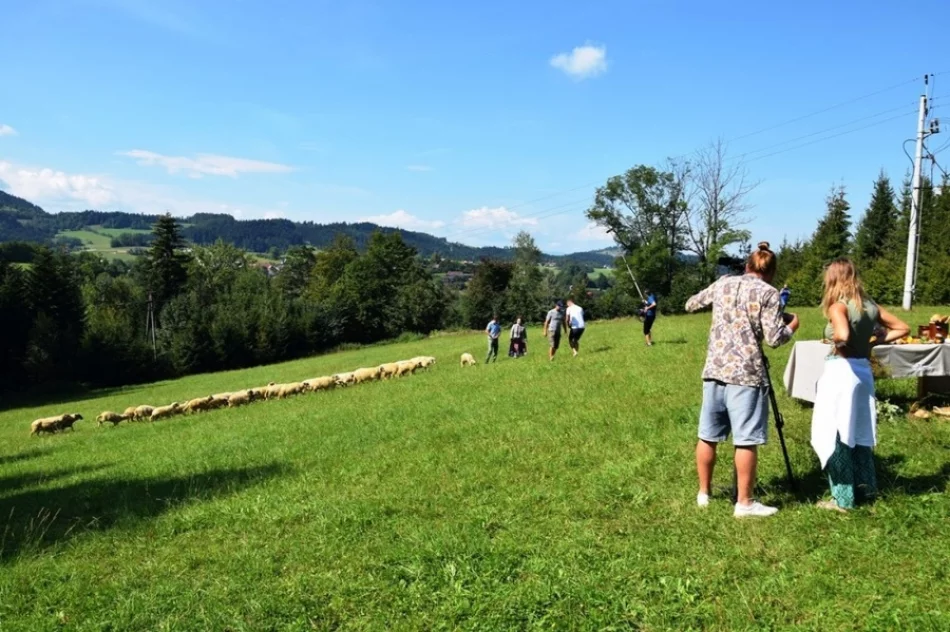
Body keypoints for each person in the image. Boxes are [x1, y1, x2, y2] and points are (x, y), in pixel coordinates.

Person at [685, 241, 800, 518]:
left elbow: (690, 304)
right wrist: (792, 325)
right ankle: (745, 503)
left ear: (747, 266)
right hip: (746, 373)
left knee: (708, 435)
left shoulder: (724, 283)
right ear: (771, 272)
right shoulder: (769, 293)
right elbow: (773, 339)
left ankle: (704, 493)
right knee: (745, 439)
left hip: (714, 369)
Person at [810, 259, 908, 513]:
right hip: (863, 372)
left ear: (832, 279)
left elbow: (841, 334)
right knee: (860, 431)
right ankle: (866, 487)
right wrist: (873, 342)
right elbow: (902, 327)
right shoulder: (870, 306)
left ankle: (842, 498)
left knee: (837, 432)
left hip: (841, 372)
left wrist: (842, 343)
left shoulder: (838, 306)